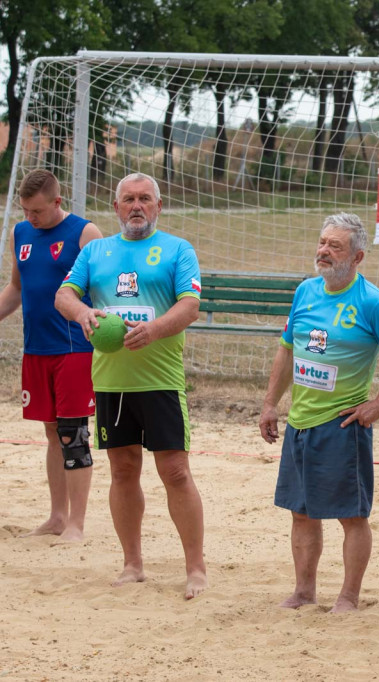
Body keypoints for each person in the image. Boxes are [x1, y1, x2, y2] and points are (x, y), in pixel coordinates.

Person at [259, 214, 379, 613]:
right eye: (322, 243)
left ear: (358, 256)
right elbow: (287, 348)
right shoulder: (306, 291)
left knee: (351, 516)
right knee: (300, 513)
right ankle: (303, 591)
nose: (324, 251)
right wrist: (270, 403)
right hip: (300, 422)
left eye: (335, 246)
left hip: (342, 425)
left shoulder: (373, 304)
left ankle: (348, 596)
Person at [55, 172, 207, 600]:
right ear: (116, 206)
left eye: (144, 199)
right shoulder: (96, 250)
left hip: (160, 381)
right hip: (111, 382)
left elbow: (191, 305)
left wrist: (155, 330)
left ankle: (195, 568)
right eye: (128, 200)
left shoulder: (178, 249)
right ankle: (132, 564)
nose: (136, 206)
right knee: (123, 471)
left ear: (158, 207)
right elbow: (63, 296)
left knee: (175, 471)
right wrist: (83, 314)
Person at [0, 170, 102, 543]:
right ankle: (57, 516)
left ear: (57, 202)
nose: (31, 218)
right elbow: (16, 287)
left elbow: (104, 290)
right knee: (50, 433)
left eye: (37, 211)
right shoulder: (20, 233)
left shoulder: (85, 233)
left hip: (74, 349)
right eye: (25, 211)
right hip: (36, 349)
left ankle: (77, 522)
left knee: (72, 433)